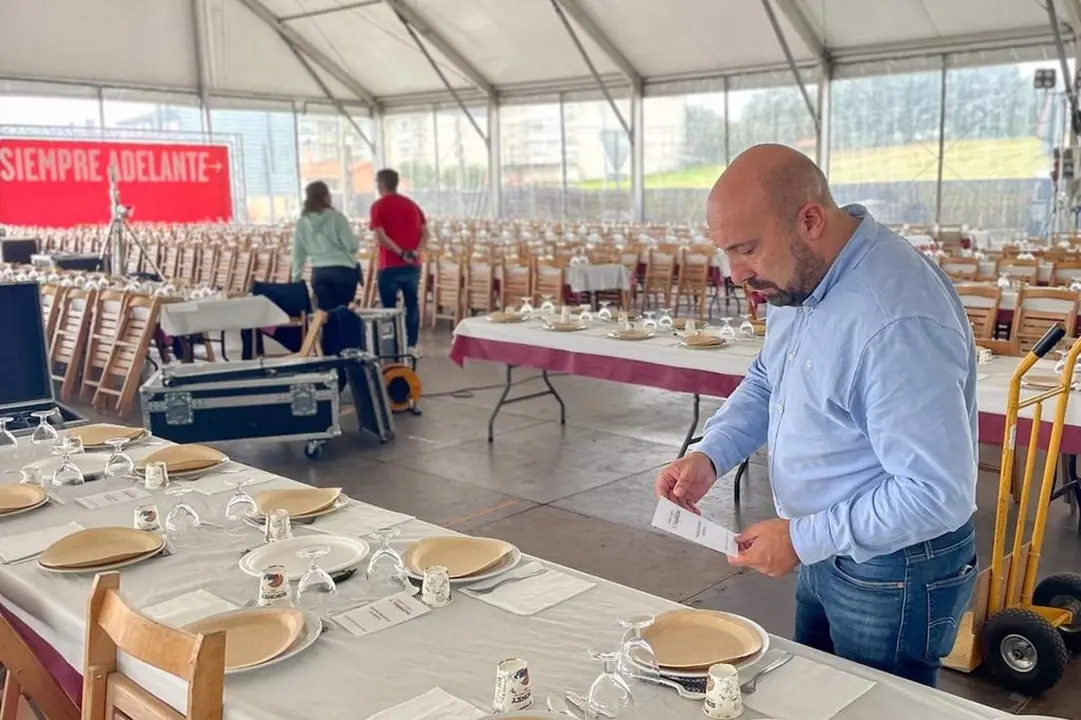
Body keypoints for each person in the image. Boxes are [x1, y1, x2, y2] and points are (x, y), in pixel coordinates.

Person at [655, 144, 978, 688]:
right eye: (726, 253)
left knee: (874, 703)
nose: (736, 275)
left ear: (809, 220)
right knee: (822, 691)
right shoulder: (800, 282)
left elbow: (935, 492)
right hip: (823, 541)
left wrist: (804, 540)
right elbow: (768, 379)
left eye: (747, 249)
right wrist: (711, 454)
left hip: (893, 565)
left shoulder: (894, 318)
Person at [370, 168, 428, 355]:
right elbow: (426, 232)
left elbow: (380, 235)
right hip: (412, 265)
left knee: (388, 308)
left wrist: (399, 252)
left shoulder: (378, 206)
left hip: (389, 265)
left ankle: (391, 346)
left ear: (381, 184)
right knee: (412, 304)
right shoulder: (412, 205)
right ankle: (411, 346)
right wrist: (415, 252)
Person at [292, 181, 360, 311]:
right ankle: (343, 331)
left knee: (325, 315)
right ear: (326, 196)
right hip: (343, 271)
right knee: (343, 312)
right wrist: (356, 240)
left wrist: (296, 278)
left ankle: (329, 332)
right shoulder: (337, 218)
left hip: (319, 272)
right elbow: (352, 247)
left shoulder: (302, 223)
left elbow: (298, 253)